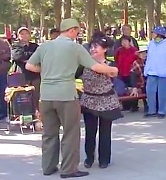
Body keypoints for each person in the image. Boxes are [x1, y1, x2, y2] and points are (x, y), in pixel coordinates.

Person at [25, 18, 118, 178]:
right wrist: (113, 69)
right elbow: (95, 66)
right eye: (77, 30)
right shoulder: (75, 48)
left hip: (46, 95)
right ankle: (68, 169)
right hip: (66, 96)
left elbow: (29, 66)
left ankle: (48, 167)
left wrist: (47, 71)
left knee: (49, 133)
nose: (78, 33)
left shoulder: (45, 46)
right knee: (70, 133)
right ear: (72, 30)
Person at [76, 32, 123, 169]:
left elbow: (113, 72)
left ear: (105, 49)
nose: (93, 49)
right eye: (92, 46)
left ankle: (104, 159)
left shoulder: (110, 64)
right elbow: (73, 75)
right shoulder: (84, 64)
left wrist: (100, 65)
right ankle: (89, 158)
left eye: (97, 46)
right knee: (90, 131)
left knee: (105, 131)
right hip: (89, 100)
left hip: (106, 101)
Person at [144, 26, 166, 119]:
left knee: (162, 93)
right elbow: (149, 58)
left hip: (164, 74)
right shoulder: (151, 43)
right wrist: (146, 70)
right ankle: (152, 110)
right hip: (151, 72)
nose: (152, 34)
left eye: (154, 33)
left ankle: (162, 111)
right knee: (150, 91)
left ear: (159, 34)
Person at [11, 27, 40, 115]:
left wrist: (27, 58)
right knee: (22, 98)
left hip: (35, 76)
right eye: (22, 34)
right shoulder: (15, 46)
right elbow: (18, 57)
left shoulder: (35, 46)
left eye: (26, 33)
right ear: (18, 36)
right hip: (22, 76)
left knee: (35, 97)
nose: (24, 36)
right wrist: (31, 58)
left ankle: (35, 116)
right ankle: (22, 117)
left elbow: (39, 56)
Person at [114, 35, 139, 111]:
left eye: (125, 41)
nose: (124, 43)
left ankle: (134, 105)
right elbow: (116, 59)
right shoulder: (119, 50)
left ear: (129, 42)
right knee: (123, 88)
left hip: (131, 72)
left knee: (132, 87)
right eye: (122, 41)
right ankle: (125, 105)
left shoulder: (134, 50)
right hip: (121, 72)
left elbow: (137, 61)